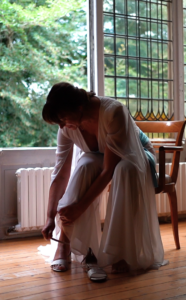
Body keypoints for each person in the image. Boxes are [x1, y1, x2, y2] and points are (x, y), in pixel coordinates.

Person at [41, 82, 167, 281]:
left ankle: (121, 252)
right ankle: (64, 244)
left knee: (125, 170)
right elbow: (60, 174)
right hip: (104, 156)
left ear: (78, 107)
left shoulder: (113, 112)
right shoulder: (67, 127)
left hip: (136, 154)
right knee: (84, 165)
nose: (62, 126)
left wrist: (80, 207)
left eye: (63, 118)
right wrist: (49, 217)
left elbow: (109, 169)